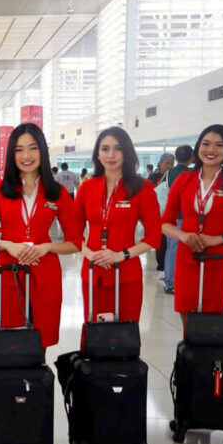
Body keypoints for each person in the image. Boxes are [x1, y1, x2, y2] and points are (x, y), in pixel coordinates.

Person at [0, 123, 81, 347]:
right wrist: (6, 245)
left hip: (46, 271)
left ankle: (37, 383)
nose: (26, 156)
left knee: (42, 338)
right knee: (12, 341)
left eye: (32, 148)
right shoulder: (0, 190)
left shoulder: (57, 193)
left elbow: (75, 242)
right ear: (12, 154)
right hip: (9, 269)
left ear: (42, 151)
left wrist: (47, 247)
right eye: (19, 150)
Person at [161, 125, 223, 329]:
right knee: (187, 317)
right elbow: (163, 222)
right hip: (187, 257)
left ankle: (216, 362)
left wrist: (221, 238)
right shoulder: (184, 180)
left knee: (217, 323)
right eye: (206, 144)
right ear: (198, 147)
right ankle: (190, 360)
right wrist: (182, 235)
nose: (211, 150)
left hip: (222, 260)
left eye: (219, 145)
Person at [75, 127, 162, 323]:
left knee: (124, 337)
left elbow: (154, 236)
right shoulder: (87, 187)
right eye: (105, 149)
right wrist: (90, 254)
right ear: (98, 153)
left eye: (118, 149)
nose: (111, 155)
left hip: (126, 273)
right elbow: (73, 232)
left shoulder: (142, 187)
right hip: (92, 270)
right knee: (94, 335)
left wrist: (120, 255)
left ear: (127, 153)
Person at [163, 145, 194, 294]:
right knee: (179, 248)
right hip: (186, 216)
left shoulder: (169, 172)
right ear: (192, 158)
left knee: (171, 248)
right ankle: (174, 281)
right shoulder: (193, 173)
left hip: (170, 216)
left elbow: (160, 188)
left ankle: (169, 280)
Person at [150, 153, 175, 277]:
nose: (170, 166)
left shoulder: (174, 176)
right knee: (161, 242)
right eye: (167, 163)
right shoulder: (154, 177)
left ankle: (169, 268)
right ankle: (161, 268)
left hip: (170, 214)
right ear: (160, 163)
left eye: (172, 163)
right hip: (158, 214)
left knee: (171, 242)